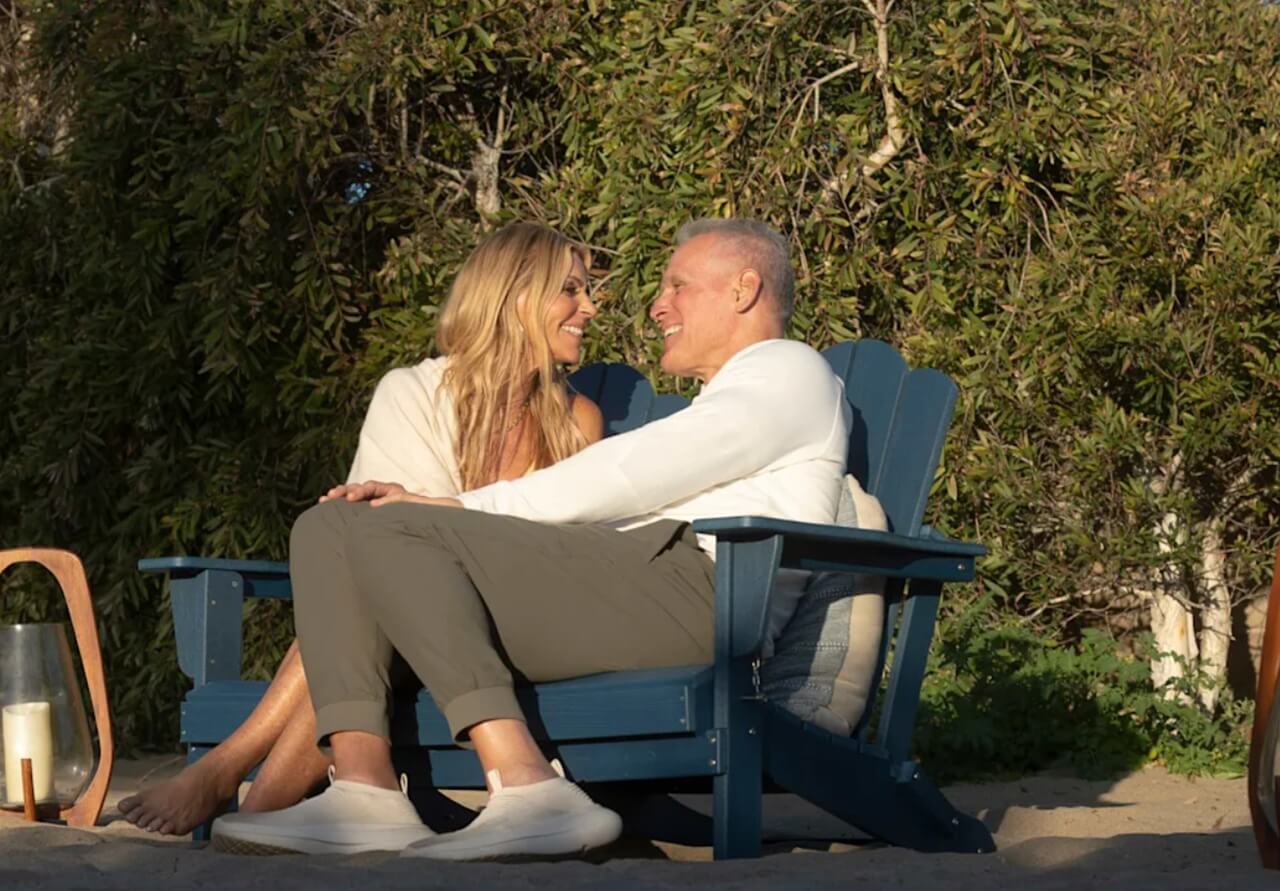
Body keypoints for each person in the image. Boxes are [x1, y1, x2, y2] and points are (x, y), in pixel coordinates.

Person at [211, 218, 851, 860]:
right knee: (332, 522)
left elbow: (631, 471)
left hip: (709, 594)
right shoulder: (730, 398)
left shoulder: (789, 370)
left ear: (743, 289)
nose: (658, 305)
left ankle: (529, 786)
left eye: (677, 285)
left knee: (385, 524)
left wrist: (454, 507)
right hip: (634, 583)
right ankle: (364, 792)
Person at [118, 221, 604, 836]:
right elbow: (380, 545)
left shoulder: (577, 420)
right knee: (362, 574)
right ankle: (254, 806)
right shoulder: (414, 395)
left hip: (508, 626)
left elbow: (558, 551)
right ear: (515, 296)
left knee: (372, 599)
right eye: (571, 290)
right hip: (412, 618)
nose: (589, 308)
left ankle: (237, 786)